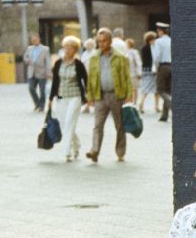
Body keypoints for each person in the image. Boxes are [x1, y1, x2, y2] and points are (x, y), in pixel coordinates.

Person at [85, 27, 134, 163]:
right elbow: (91, 78)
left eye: (104, 41)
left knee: (119, 126)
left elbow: (126, 77)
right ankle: (94, 151)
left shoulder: (120, 57)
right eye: (99, 41)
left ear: (110, 41)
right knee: (97, 125)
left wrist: (129, 95)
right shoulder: (94, 57)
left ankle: (120, 152)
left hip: (116, 95)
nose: (101, 44)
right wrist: (89, 96)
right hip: (99, 95)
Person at [49, 36, 88, 162]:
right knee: (64, 124)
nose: (67, 50)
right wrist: (50, 99)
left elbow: (85, 80)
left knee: (69, 122)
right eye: (65, 47)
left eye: (70, 48)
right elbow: (55, 81)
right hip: (61, 95)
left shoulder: (78, 64)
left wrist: (89, 96)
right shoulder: (58, 63)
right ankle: (77, 145)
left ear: (75, 50)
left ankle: (67, 152)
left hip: (75, 96)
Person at [24, 34, 51, 112]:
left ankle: (41, 106)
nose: (34, 41)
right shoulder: (29, 48)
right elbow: (25, 57)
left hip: (42, 72)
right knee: (31, 88)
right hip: (31, 72)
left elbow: (48, 61)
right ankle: (37, 103)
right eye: (32, 40)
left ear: (39, 39)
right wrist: (27, 60)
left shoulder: (45, 49)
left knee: (42, 91)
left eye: (35, 39)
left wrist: (48, 73)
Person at [151, 21, 171, 122]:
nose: (157, 32)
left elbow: (157, 56)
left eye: (158, 31)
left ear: (161, 31)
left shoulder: (158, 42)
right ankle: (164, 115)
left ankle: (172, 105)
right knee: (167, 91)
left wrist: (155, 66)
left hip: (162, 66)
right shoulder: (171, 40)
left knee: (160, 90)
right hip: (172, 66)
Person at [138, 31, 158, 114]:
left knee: (145, 88)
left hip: (145, 70)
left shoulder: (143, 48)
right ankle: (156, 106)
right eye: (154, 39)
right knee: (156, 89)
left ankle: (141, 104)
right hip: (152, 70)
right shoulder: (153, 48)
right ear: (151, 39)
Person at [80, 38, 97, 112]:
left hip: (93, 74)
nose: (88, 46)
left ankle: (90, 105)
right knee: (87, 90)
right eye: (87, 45)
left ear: (93, 45)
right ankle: (88, 104)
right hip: (85, 74)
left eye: (90, 45)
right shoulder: (84, 53)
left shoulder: (95, 53)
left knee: (93, 90)